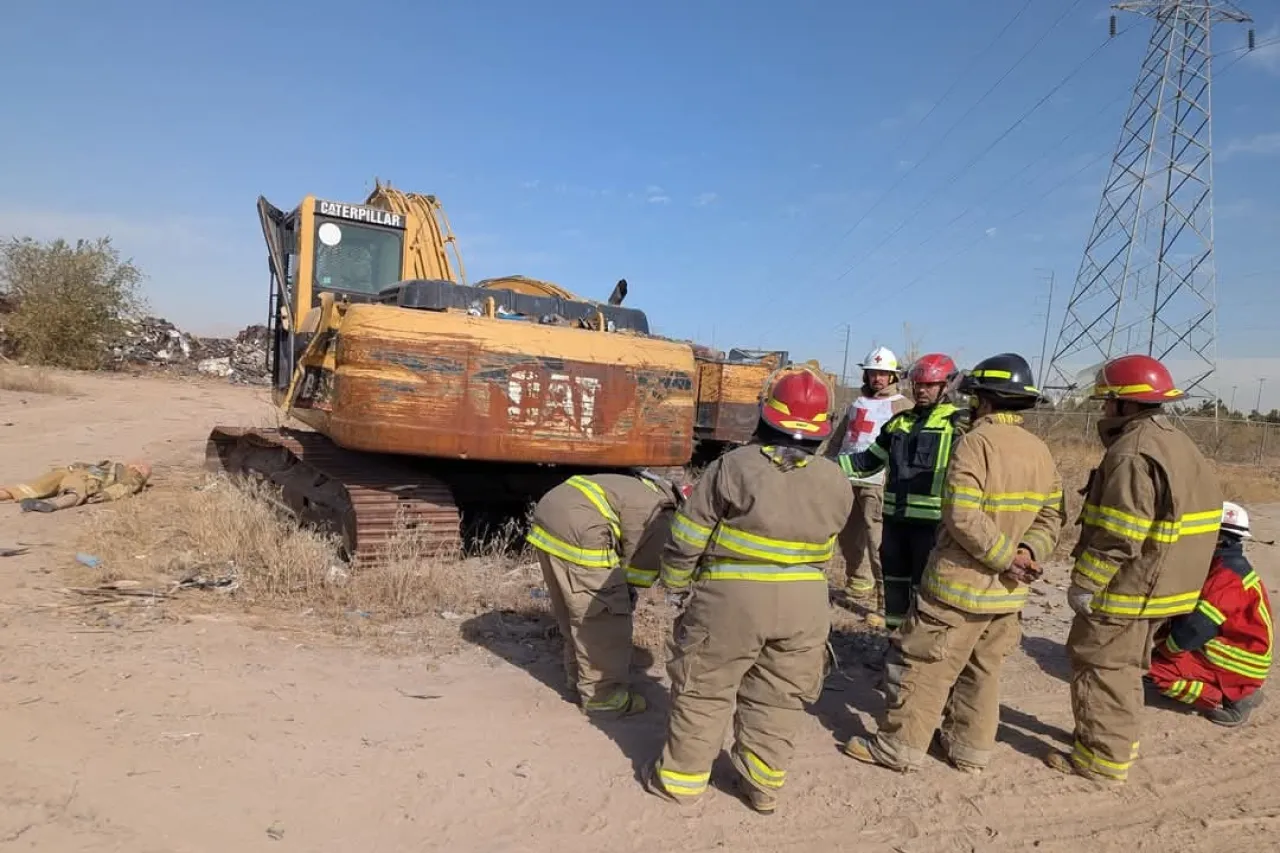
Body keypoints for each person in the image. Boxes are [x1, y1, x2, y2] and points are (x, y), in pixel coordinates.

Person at [644, 367, 853, 815]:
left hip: (732, 599)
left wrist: (676, 585)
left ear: (766, 415)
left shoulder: (732, 466)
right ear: (823, 428)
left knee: (704, 687)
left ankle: (680, 781)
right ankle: (762, 785)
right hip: (806, 604)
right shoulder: (837, 480)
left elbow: (688, 534)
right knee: (780, 695)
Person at [843, 353, 1065, 774]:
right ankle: (969, 751)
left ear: (982, 399)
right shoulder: (1040, 450)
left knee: (927, 666)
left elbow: (962, 514)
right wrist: (1027, 555)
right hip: (1007, 595)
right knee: (982, 671)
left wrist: (1002, 559)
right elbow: (1052, 515)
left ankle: (899, 749)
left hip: (960, 587)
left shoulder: (973, 442)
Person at [1047, 354, 1224, 785]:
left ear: (1127, 405)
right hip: (1169, 586)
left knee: (1100, 664)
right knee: (1126, 667)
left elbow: (1120, 532)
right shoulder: (1175, 440)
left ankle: (1100, 758)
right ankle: (1118, 739)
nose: (1103, 410)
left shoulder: (1131, 452)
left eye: (1108, 402)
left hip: (1131, 585)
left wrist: (1085, 582)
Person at [525, 470, 683, 717]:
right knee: (603, 617)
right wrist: (625, 591)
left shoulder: (648, 489)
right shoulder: (664, 514)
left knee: (575, 607)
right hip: (580, 526)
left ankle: (577, 677)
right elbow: (641, 568)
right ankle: (605, 698)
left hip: (551, 515)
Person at [839, 353, 966, 629]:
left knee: (926, 592)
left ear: (947, 386)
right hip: (895, 525)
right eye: (918, 384)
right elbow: (865, 462)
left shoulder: (957, 425)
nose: (921, 390)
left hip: (931, 528)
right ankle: (893, 646)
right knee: (895, 588)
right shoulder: (899, 424)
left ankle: (918, 653)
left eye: (930, 385)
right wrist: (822, 468)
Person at [1146, 500, 1271, 727]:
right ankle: (1238, 690)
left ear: (1218, 537)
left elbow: (1196, 628)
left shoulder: (1226, 578)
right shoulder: (1227, 566)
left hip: (1235, 661)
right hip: (1236, 651)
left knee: (1158, 673)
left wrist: (1166, 651)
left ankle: (1227, 698)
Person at [826, 346, 913, 623]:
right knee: (848, 537)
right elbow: (839, 439)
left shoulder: (903, 406)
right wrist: (827, 464)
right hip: (846, 477)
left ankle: (885, 603)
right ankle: (858, 584)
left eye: (883, 374)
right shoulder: (856, 404)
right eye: (873, 373)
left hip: (878, 483)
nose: (877, 378)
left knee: (878, 542)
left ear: (892, 377)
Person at [0, 460, 152, 512]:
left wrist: (107, 495)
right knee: (33, 486)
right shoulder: (111, 466)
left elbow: (126, 487)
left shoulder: (131, 476)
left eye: (143, 468)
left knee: (74, 490)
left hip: (90, 480)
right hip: (69, 471)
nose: (139, 466)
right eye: (137, 463)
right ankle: (5, 494)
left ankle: (51, 505)